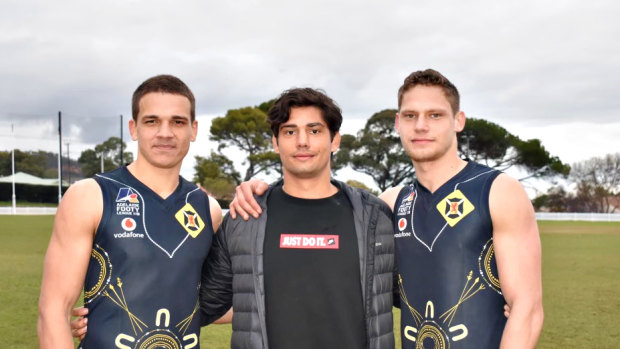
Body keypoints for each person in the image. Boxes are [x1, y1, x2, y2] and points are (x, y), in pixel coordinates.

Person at [229, 69, 544, 348]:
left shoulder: (498, 191)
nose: (421, 126)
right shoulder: (389, 205)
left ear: (457, 121)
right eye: (410, 116)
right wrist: (258, 190)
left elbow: (527, 310)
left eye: (435, 115)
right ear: (398, 123)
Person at [198, 87, 396, 349]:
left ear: (335, 139)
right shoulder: (245, 219)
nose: (302, 141)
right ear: (275, 142)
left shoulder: (375, 218)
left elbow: (416, 292)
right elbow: (205, 306)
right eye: (290, 132)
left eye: (314, 131)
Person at [38, 74, 223, 348]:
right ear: (134, 128)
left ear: (193, 130)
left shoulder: (208, 209)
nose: (165, 133)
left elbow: (207, 302)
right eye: (152, 121)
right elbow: (53, 309)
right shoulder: (90, 196)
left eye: (178, 122)